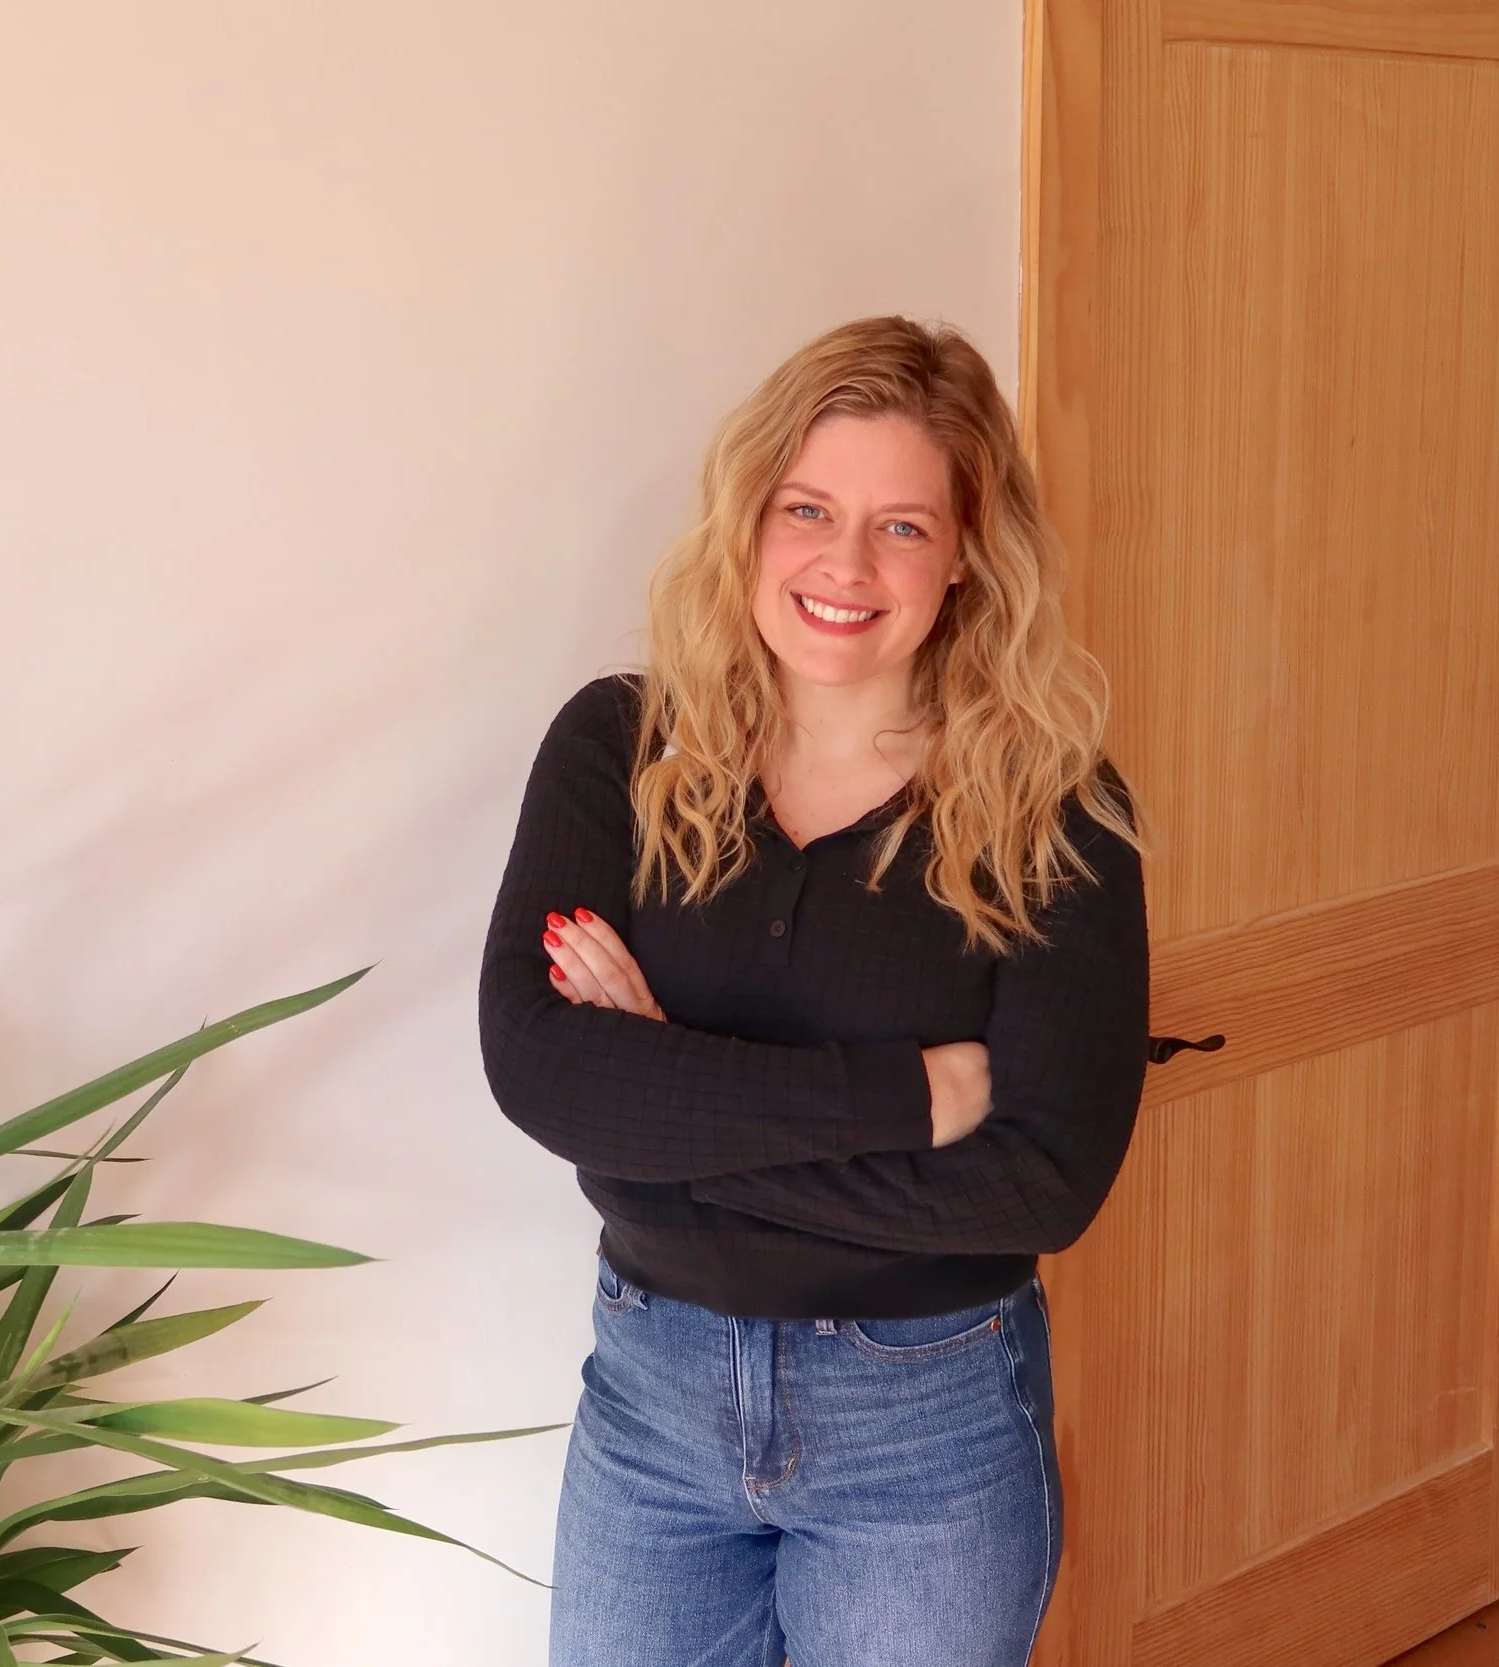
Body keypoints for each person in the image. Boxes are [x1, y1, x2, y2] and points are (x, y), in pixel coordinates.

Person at [478, 316, 1150, 1667]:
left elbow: (1043, 1183)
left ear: (966, 554)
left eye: (902, 525)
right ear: (750, 521)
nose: (846, 565)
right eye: (810, 510)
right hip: (654, 1402)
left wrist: (665, 1107)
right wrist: (905, 1093)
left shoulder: (1054, 812)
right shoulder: (620, 747)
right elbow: (539, 1067)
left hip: (929, 1416)